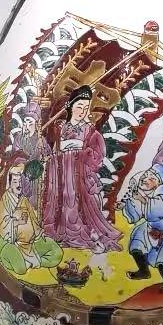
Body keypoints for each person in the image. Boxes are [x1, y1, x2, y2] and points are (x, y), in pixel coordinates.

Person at [43, 85, 121, 253]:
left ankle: (81, 232)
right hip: (62, 172)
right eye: (79, 106)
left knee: (77, 201)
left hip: (79, 173)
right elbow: (53, 149)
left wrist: (83, 153)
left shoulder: (89, 130)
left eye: (86, 108)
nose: (82, 111)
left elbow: (98, 154)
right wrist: (56, 156)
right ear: (71, 106)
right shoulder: (60, 127)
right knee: (64, 199)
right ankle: (63, 232)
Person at [0, 158, 63, 276]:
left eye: (20, 182)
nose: (18, 185)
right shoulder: (6, 199)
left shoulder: (24, 200)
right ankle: (26, 261)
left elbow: (33, 220)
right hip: (10, 243)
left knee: (57, 253)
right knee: (20, 269)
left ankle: (30, 262)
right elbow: (2, 224)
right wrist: (17, 222)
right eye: (15, 182)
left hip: (29, 244)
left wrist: (38, 232)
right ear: (10, 183)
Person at [11, 99, 51, 210]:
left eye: (30, 123)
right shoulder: (19, 139)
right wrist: (23, 163)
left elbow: (48, 155)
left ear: (36, 124)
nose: (26, 126)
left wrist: (44, 159)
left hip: (37, 178)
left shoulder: (41, 140)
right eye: (25, 122)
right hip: (23, 176)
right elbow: (16, 156)